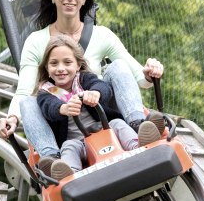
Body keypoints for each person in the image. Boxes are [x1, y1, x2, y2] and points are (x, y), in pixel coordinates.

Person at [0, 0, 164, 163]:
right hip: (64, 123)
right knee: (28, 101)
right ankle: (52, 159)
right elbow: (24, 91)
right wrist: (12, 118)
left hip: (100, 114)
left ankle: (138, 125)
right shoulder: (35, 41)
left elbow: (139, 78)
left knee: (116, 66)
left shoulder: (102, 35)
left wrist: (150, 71)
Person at [35, 36, 161, 180]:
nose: (60, 69)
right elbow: (48, 107)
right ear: (47, 67)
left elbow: (103, 86)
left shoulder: (83, 79)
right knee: (68, 146)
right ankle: (69, 173)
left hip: (105, 130)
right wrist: (63, 108)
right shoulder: (46, 92)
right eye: (54, 64)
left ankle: (138, 144)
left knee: (118, 124)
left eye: (67, 62)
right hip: (79, 142)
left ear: (77, 65)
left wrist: (95, 93)